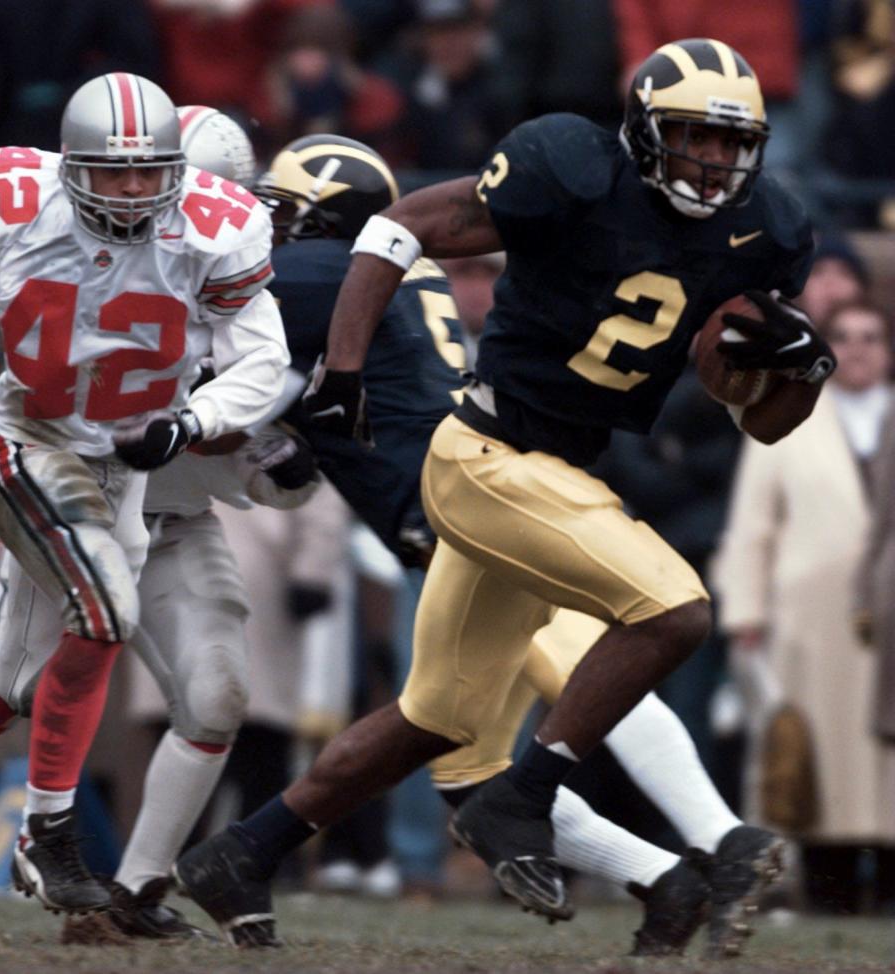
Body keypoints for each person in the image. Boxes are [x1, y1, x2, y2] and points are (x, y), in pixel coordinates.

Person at [177, 36, 837, 943]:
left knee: (434, 717)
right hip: (487, 455)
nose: (712, 161)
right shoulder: (572, 167)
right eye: (693, 135)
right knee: (676, 611)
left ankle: (243, 852)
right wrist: (343, 366)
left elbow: (757, 418)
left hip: (561, 470)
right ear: (644, 130)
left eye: (730, 143)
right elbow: (400, 223)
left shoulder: (762, 231)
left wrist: (800, 371)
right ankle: (528, 798)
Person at [0, 74, 290, 914]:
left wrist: (195, 421)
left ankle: (66, 846)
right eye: (112, 172)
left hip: (126, 469)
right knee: (104, 613)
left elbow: (262, 363)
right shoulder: (6, 199)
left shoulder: (217, 228)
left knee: (13, 684)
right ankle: (46, 837)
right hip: (34, 437)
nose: (134, 191)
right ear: (69, 166)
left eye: (149, 172)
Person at [716, 298, 895, 913]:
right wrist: (745, 613)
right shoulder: (788, 418)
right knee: (820, 755)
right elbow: (751, 524)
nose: (860, 348)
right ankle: (828, 885)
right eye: (844, 336)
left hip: (890, 618)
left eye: (872, 336)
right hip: (811, 620)